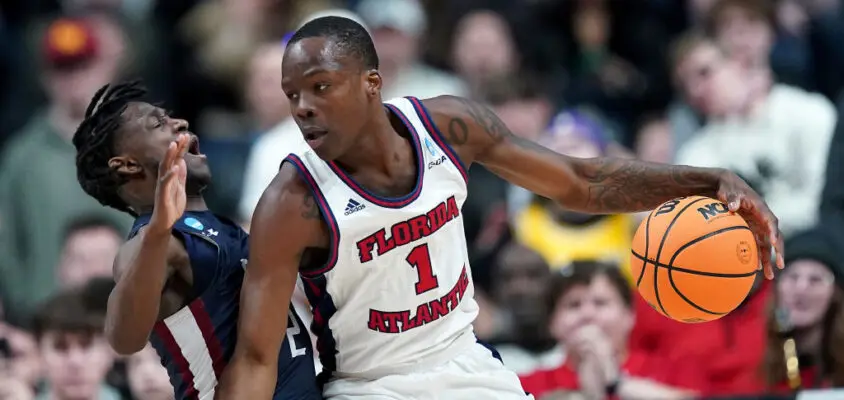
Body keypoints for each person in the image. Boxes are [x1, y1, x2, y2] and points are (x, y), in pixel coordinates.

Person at [217, 16, 783, 399]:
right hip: (371, 383)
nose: (304, 109)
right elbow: (256, 356)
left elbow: (580, 181)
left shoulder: (448, 126)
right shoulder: (290, 203)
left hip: (468, 365)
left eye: (320, 87)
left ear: (371, 82)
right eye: (293, 95)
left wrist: (704, 181)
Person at [72, 81, 321, 399]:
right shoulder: (155, 241)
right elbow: (125, 338)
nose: (180, 124)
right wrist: (159, 232)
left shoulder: (218, 226)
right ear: (128, 164)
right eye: (158, 124)